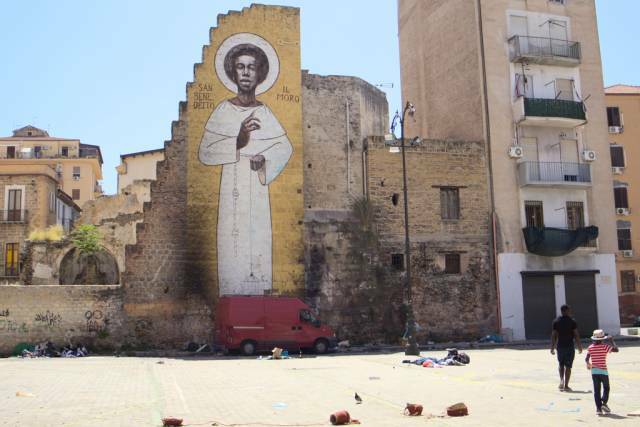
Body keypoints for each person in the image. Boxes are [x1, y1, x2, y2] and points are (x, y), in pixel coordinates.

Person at [199, 39, 292, 296]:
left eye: (252, 67)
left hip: (258, 193)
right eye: (241, 67)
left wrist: (264, 160)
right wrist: (238, 140)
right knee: (233, 243)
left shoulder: (266, 113)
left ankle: (260, 299)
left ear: (260, 73)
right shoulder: (223, 110)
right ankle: (231, 297)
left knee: (258, 243)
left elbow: (285, 148)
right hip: (231, 188)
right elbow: (205, 152)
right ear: (233, 72)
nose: (247, 72)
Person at [585, 329, 619, 415]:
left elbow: (586, 358)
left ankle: (598, 409)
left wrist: (588, 364)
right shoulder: (605, 347)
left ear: (594, 339)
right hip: (603, 371)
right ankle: (604, 402)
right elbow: (616, 349)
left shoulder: (590, 347)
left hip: (594, 371)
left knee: (597, 390)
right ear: (602, 339)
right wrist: (611, 340)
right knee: (606, 387)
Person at [550, 304, 583, 391]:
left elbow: (554, 335)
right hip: (569, 347)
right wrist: (579, 346)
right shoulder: (572, 321)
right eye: (569, 310)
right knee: (568, 366)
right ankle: (566, 385)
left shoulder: (556, 321)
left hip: (560, 346)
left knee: (561, 364)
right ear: (567, 311)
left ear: (561, 311)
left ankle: (561, 380)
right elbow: (576, 334)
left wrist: (552, 347)